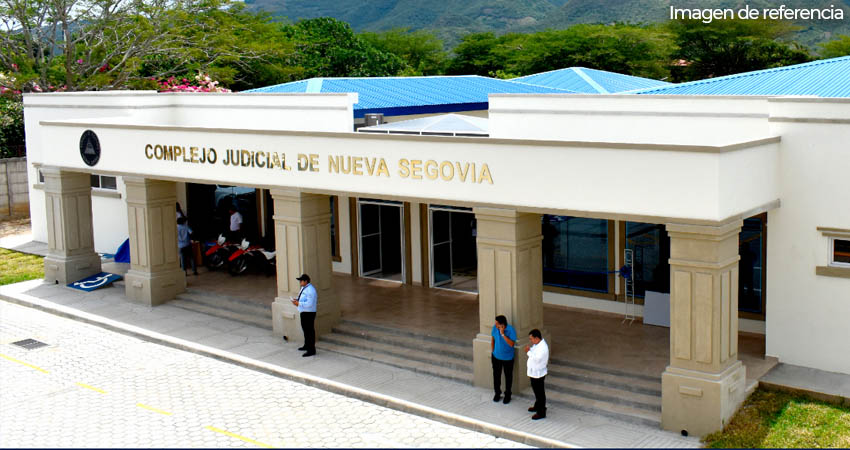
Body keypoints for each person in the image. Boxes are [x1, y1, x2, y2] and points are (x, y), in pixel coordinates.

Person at [491, 315, 516, 404]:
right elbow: (493, 339)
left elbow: (511, 344)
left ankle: (508, 395)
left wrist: (502, 334)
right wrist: (493, 350)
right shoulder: (494, 328)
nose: (495, 324)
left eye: (497, 323)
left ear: (502, 324)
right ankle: (497, 393)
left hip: (508, 358)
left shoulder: (511, 330)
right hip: (496, 357)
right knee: (496, 375)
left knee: (508, 376)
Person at [290, 273, 317, 357]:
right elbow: (302, 298)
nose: (300, 282)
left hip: (309, 313)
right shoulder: (304, 288)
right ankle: (306, 345)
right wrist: (296, 300)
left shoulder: (311, 290)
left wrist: (298, 303)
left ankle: (311, 349)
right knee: (305, 330)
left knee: (309, 331)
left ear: (306, 281)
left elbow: (309, 303)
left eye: (301, 281)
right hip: (304, 312)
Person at [525, 328, 549, 420]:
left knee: (540, 393)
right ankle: (537, 406)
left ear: (536, 338)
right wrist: (530, 350)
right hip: (534, 373)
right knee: (536, 391)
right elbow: (534, 352)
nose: (530, 340)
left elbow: (537, 358)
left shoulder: (543, 347)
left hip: (538, 374)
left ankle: (541, 412)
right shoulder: (537, 344)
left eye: (531, 339)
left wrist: (528, 352)